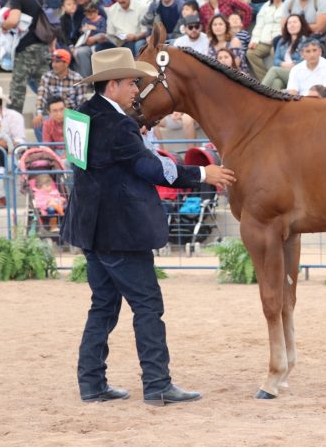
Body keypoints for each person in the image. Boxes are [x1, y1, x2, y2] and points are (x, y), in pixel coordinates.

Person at [60, 47, 236, 405]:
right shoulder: (118, 124)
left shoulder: (81, 115)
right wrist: (204, 172)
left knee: (104, 305)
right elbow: (151, 169)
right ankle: (157, 383)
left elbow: (102, 161)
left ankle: (91, 382)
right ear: (111, 86)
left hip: (91, 226)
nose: (135, 90)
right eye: (130, 83)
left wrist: (133, 137)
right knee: (147, 304)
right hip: (120, 230)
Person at [1, 0, 51, 115]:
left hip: (26, 49)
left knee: (17, 91)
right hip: (43, 46)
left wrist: (4, 26)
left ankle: (12, 125)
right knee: (46, 88)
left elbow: (13, 19)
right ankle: (55, 119)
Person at [33, 49, 89, 140]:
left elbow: (81, 104)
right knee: (38, 123)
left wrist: (70, 117)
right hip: (52, 114)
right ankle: (46, 150)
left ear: (66, 63)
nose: (53, 65)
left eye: (57, 62)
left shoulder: (78, 79)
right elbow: (41, 97)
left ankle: (70, 149)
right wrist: (39, 113)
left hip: (71, 115)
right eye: (53, 61)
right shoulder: (46, 77)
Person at [246, 0, 286, 81]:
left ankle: (277, 80)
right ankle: (266, 81)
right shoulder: (265, 6)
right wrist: (254, 40)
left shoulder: (287, 5)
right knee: (250, 53)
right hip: (264, 41)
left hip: (280, 41)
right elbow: (259, 25)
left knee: (274, 52)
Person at [261, 14, 310, 90]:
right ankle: (275, 102)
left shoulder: (305, 41)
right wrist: (283, 64)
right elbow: (276, 60)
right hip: (284, 71)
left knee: (274, 69)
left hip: (298, 73)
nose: (292, 25)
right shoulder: (282, 41)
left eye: (295, 22)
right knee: (276, 82)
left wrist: (293, 65)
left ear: (301, 24)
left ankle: (258, 91)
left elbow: (305, 60)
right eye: (289, 23)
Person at [74, 4, 108, 77]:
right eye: (87, 14)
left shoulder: (101, 19)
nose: (89, 16)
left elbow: (103, 32)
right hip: (86, 41)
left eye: (91, 13)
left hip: (99, 41)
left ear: (96, 12)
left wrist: (94, 28)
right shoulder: (85, 20)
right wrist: (83, 30)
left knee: (97, 45)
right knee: (79, 51)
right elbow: (81, 31)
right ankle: (85, 78)